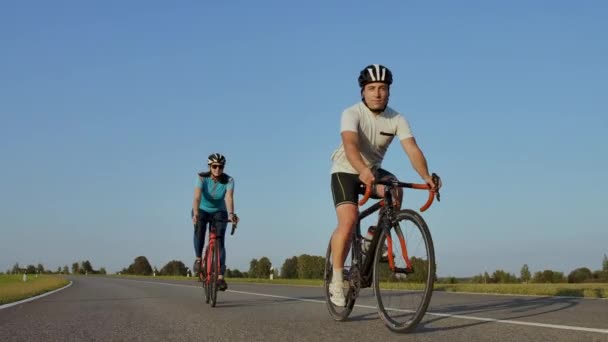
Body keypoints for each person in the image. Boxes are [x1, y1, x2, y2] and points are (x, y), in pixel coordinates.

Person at [328, 64, 442, 306]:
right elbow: (349, 145)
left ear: (389, 91)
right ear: (363, 92)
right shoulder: (352, 113)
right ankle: (336, 279)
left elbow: (412, 148)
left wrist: (426, 177)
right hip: (346, 170)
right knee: (348, 222)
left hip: (373, 170)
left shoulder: (397, 118)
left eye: (382, 88)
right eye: (372, 88)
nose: (377, 93)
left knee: (395, 189)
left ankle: (373, 237)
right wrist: (362, 171)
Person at [191, 153, 239, 291]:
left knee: (220, 240)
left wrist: (231, 214)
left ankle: (220, 277)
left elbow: (229, 198)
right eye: (214, 166)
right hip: (201, 209)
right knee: (199, 230)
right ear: (210, 166)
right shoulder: (202, 178)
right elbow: (197, 197)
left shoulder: (229, 180)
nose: (217, 169)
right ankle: (199, 259)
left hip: (219, 211)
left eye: (220, 166)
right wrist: (195, 213)